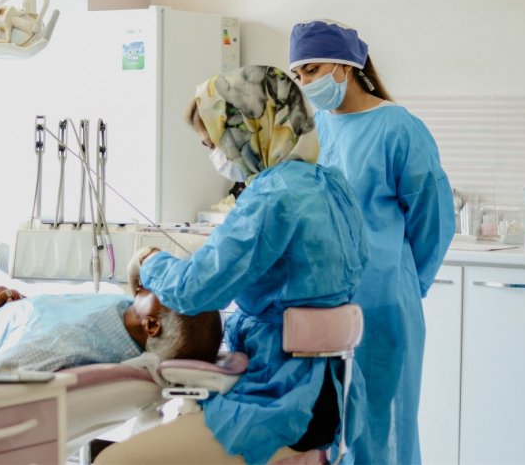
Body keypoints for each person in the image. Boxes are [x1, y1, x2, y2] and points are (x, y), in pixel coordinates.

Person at [97, 65, 370, 465]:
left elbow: (194, 290)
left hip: (280, 400)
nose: (218, 156)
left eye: (214, 143)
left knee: (114, 460)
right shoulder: (332, 185)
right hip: (334, 397)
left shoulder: (271, 196)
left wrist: (149, 261)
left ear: (244, 128)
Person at [288, 19, 456, 465]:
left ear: (345, 67)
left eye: (312, 69)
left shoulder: (397, 127)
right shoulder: (316, 129)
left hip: (383, 302)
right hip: (327, 304)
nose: (305, 82)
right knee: (333, 427)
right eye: (298, 74)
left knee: (385, 426)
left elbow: (433, 218)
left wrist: (403, 281)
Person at [0, 286, 223, 372]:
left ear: (151, 324)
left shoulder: (64, 343)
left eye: (165, 288)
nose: (160, 279)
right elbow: (52, 316)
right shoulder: (123, 310)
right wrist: (23, 307)